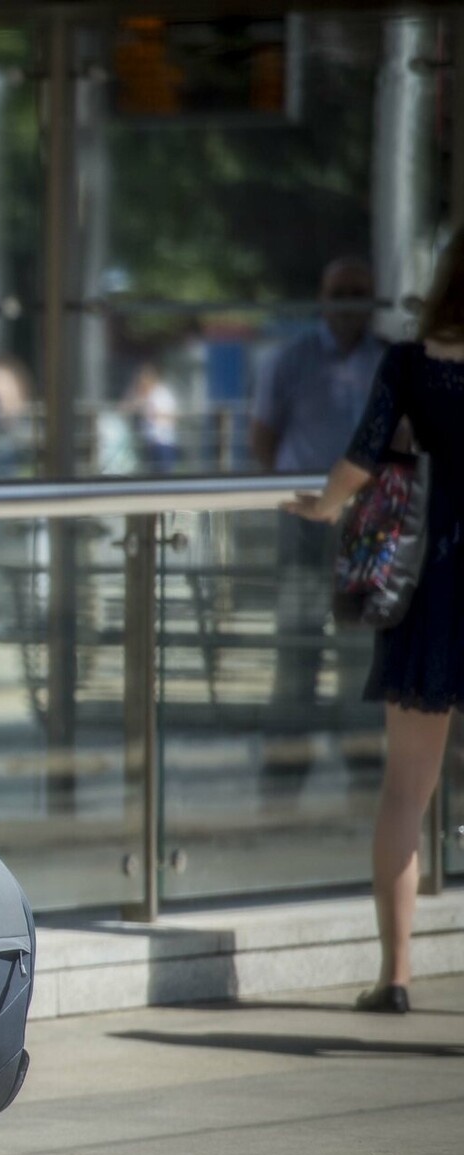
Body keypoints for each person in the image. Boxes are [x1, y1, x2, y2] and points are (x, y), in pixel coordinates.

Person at [283, 232, 464, 1016]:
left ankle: (396, 974)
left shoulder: (408, 360)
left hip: (429, 583)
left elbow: (362, 455)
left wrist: (324, 506)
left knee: (405, 789)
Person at [255, 257, 389, 794]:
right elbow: (263, 439)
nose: (349, 302)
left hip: (369, 522)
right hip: (304, 522)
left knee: (360, 650)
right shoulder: (291, 360)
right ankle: (287, 770)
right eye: (340, 291)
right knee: (296, 643)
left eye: (360, 291)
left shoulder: (388, 360)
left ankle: (364, 768)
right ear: (323, 297)